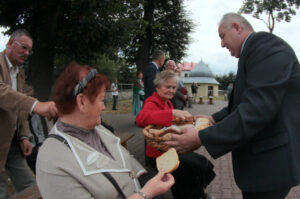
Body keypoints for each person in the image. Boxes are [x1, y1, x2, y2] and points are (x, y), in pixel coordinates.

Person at [167, 12, 300, 199]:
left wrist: (201, 137)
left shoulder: (267, 48)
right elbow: (241, 104)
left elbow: (256, 110)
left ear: (237, 27)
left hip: (271, 166)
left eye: (222, 36)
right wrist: (213, 118)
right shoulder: (253, 52)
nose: (222, 44)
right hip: (262, 164)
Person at [36, 62, 174, 199]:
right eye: (102, 100)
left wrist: (142, 175)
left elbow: (124, 156)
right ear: (81, 102)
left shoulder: (97, 128)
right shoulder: (53, 162)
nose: (103, 108)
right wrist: (146, 193)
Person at [136, 70, 215, 199]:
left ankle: (196, 193)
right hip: (158, 154)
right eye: (167, 87)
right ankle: (196, 195)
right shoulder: (151, 101)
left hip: (170, 148)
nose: (171, 91)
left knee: (200, 161)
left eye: (174, 87)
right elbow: (141, 119)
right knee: (185, 168)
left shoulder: (168, 102)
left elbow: (171, 123)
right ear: (157, 87)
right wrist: (172, 113)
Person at [0, 29, 57, 198]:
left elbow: (20, 108)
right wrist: (36, 105)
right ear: (10, 43)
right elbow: (3, 93)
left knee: (30, 187)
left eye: (29, 50)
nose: (26, 53)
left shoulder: (19, 73)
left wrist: (24, 136)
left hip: (12, 143)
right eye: (23, 47)